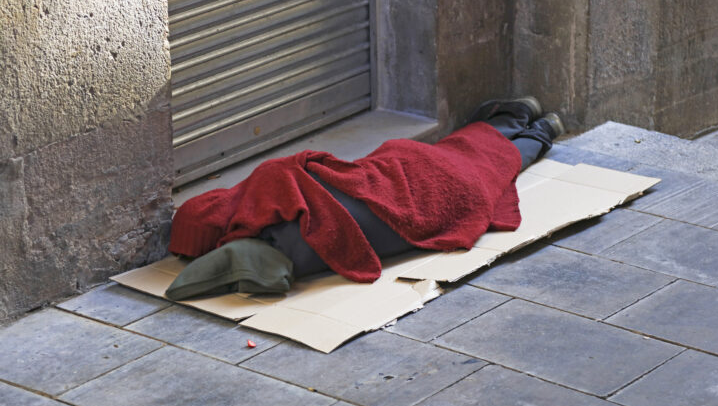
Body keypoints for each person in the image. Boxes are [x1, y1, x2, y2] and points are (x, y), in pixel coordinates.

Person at [164, 97, 565, 300]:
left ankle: (539, 131)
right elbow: (307, 167)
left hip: (437, 198)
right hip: (411, 179)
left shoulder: (295, 253)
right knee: (454, 154)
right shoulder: (271, 198)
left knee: (487, 170)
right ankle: (515, 118)